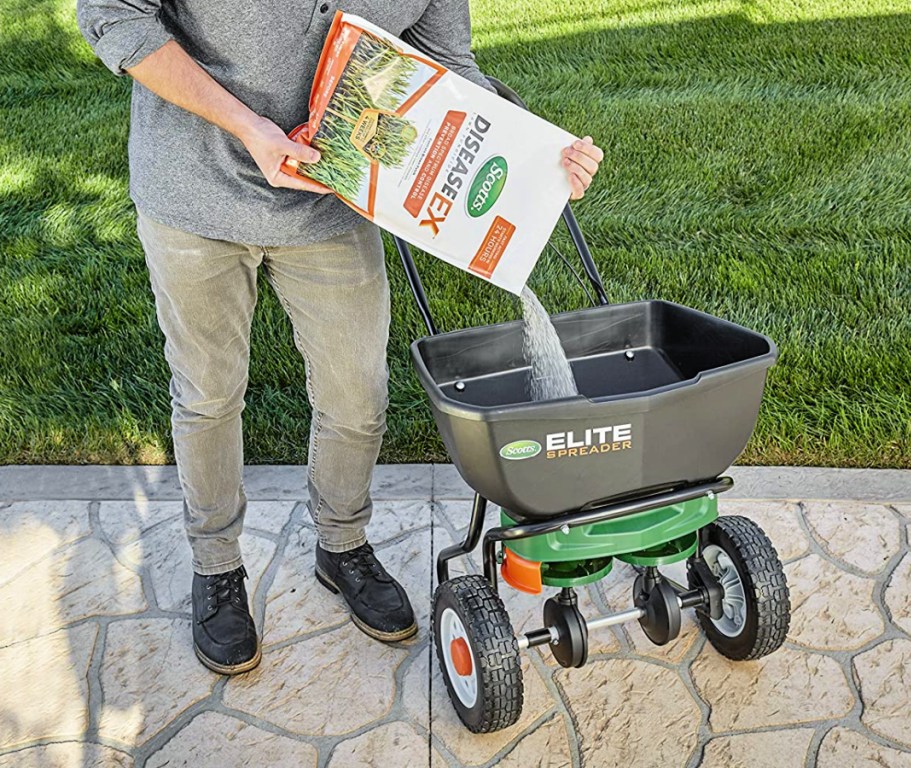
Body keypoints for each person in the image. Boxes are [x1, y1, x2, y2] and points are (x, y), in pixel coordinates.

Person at [76, 0, 604, 675]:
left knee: (357, 395)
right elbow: (113, 16)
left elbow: (447, 66)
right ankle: (216, 566)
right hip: (194, 194)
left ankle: (342, 544)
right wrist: (249, 127)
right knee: (208, 395)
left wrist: (540, 154)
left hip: (334, 202)